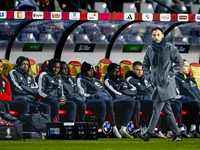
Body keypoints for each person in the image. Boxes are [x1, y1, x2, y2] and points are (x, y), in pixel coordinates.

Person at [138, 27, 184, 142]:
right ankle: (177, 135)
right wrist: (149, 76)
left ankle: (148, 134)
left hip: (167, 84)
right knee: (168, 111)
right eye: (154, 35)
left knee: (156, 107)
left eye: (158, 34)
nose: (156, 37)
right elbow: (145, 65)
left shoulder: (170, 48)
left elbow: (180, 62)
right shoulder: (149, 49)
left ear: (162, 35)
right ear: (151, 36)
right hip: (156, 84)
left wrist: (170, 73)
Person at [126, 61, 187, 138]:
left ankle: (169, 131)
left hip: (152, 99)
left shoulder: (145, 79)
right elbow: (133, 92)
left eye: (141, 70)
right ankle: (156, 130)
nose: (140, 72)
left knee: (175, 105)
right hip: (140, 100)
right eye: (137, 70)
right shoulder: (130, 79)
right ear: (133, 70)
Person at [77, 62, 127, 138]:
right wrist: (94, 96)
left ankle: (114, 128)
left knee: (108, 101)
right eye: (89, 70)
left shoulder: (96, 80)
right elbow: (82, 93)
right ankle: (100, 130)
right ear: (84, 72)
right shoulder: (80, 79)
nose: (92, 72)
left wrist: (109, 97)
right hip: (88, 100)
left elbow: (104, 91)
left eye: (92, 70)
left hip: (100, 100)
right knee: (102, 103)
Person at [104, 63, 137, 138]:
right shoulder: (107, 81)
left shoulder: (123, 80)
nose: (116, 73)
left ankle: (126, 129)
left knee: (136, 102)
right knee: (132, 101)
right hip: (114, 102)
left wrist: (124, 92)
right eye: (114, 71)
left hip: (124, 101)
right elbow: (115, 94)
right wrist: (128, 95)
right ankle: (120, 129)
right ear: (109, 72)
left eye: (118, 71)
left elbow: (135, 90)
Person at [175, 59, 200, 138]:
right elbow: (176, 95)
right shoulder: (175, 79)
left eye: (189, 66)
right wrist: (189, 99)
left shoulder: (191, 80)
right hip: (183, 102)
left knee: (197, 103)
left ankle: (194, 130)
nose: (189, 68)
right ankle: (192, 130)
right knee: (196, 104)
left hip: (195, 102)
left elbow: (198, 93)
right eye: (186, 66)